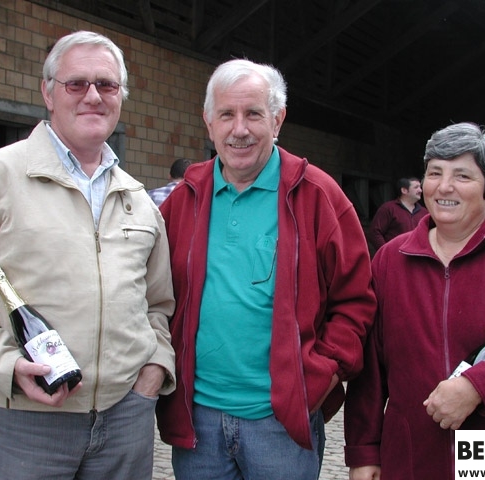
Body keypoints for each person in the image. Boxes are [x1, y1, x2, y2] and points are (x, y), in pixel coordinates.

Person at [0, 31, 176, 480]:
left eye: (106, 85)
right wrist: (6, 366)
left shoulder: (138, 199)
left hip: (126, 420)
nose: (93, 96)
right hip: (28, 422)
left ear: (120, 96)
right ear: (48, 93)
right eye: (76, 83)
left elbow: (158, 304)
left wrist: (154, 371)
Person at [155, 58, 376, 479]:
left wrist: (321, 376)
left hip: (281, 423)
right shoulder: (184, 199)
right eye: (226, 115)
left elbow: (356, 301)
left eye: (253, 114)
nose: (239, 129)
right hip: (199, 420)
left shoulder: (318, 195)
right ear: (208, 123)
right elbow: (151, 294)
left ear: (278, 120)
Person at [344, 122, 485, 480]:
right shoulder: (391, 259)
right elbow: (371, 368)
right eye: (435, 173)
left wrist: (478, 386)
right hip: (415, 451)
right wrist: (363, 451)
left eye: (462, 176)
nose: (444, 187)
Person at [368, 176, 427, 251]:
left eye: (420, 187)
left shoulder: (425, 213)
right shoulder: (389, 208)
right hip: (394, 256)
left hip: (418, 256)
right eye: (416, 187)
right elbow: (374, 232)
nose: (420, 190)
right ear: (404, 190)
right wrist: (386, 252)